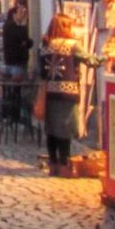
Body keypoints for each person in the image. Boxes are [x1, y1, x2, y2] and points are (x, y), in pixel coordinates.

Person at [39, 11, 96, 177]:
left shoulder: (46, 45)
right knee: (65, 129)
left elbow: (42, 71)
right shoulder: (72, 45)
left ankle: (53, 164)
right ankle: (65, 165)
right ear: (65, 27)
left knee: (51, 129)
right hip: (67, 93)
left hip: (50, 93)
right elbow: (89, 60)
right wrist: (104, 59)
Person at [2, 1, 33, 79]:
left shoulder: (12, 26)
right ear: (14, 15)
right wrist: (23, 25)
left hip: (15, 63)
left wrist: (25, 42)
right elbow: (22, 38)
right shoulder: (11, 26)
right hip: (16, 64)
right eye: (20, 12)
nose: (22, 15)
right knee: (18, 88)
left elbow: (28, 42)